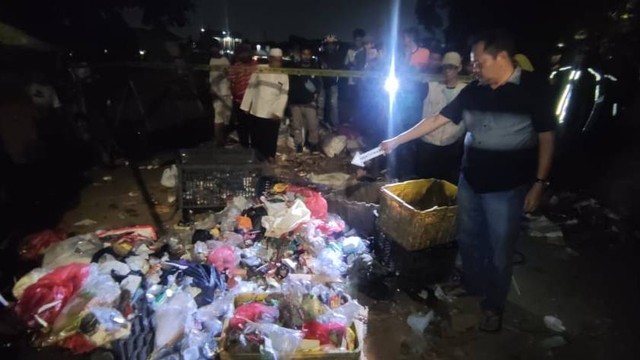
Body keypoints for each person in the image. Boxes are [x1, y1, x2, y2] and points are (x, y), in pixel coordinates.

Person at [381, 30, 556, 332]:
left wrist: (540, 183)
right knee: (470, 240)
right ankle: (474, 286)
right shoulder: (474, 91)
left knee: (501, 251)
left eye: (479, 61)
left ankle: (494, 306)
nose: (474, 67)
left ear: (502, 57)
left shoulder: (533, 90)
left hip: (507, 189)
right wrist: (396, 140)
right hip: (470, 182)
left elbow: (547, 137)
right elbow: (437, 119)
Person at [416, 51, 467, 183]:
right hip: (428, 144)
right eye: (445, 67)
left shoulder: (465, 90)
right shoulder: (430, 86)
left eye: (451, 67)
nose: (447, 71)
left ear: (459, 68)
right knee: (424, 184)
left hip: (450, 145)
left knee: (446, 185)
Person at [241, 48, 289, 162]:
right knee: (256, 137)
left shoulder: (284, 74)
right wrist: (246, 105)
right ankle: (256, 159)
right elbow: (251, 87)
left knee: (271, 138)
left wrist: (278, 112)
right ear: (269, 59)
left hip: (272, 112)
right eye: (275, 60)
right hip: (257, 109)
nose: (277, 62)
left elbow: (284, 95)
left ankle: (269, 158)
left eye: (279, 60)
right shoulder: (260, 69)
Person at [289, 47, 322, 154]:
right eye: (304, 54)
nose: (306, 56)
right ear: (301, 55)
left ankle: (313, 144)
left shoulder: (315, 68)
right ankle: (298, 145)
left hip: (310, 102)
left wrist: (316, 93)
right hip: (296, 102)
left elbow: (319, 84)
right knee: (296, 126)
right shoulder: (294, 67)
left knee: (313, 125)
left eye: (308, 54)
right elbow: (289, 82)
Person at [227, 44, 257, 148]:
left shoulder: (256, 66)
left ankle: (253, 145)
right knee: (242, 124)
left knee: (252, 125)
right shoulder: (235, 67)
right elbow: (231, 81)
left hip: (253, 101)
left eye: (245, 53)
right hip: (239, 100)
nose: (244, 56)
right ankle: (245, 145)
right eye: (241, 54)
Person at [208, 40, 232, 146]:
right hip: (216, 93)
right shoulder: (209, 61)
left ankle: (224, 138)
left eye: (215, 47)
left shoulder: (225, 60)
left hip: (226, 92)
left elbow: (229, 74)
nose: (214, 50)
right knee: (218, 117)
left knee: (227, 117)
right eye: (212, 48)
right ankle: (218, 141)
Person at [318, 35, 344, 129]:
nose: (330, 46)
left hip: (333, 83)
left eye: (332, 44)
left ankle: (335, 124)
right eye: (328, 44)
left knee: (333, 104)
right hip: (322, 82)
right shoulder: (321, 55)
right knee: (321, 103)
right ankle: (320, 122)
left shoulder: (338, 56)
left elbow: (340, 68)